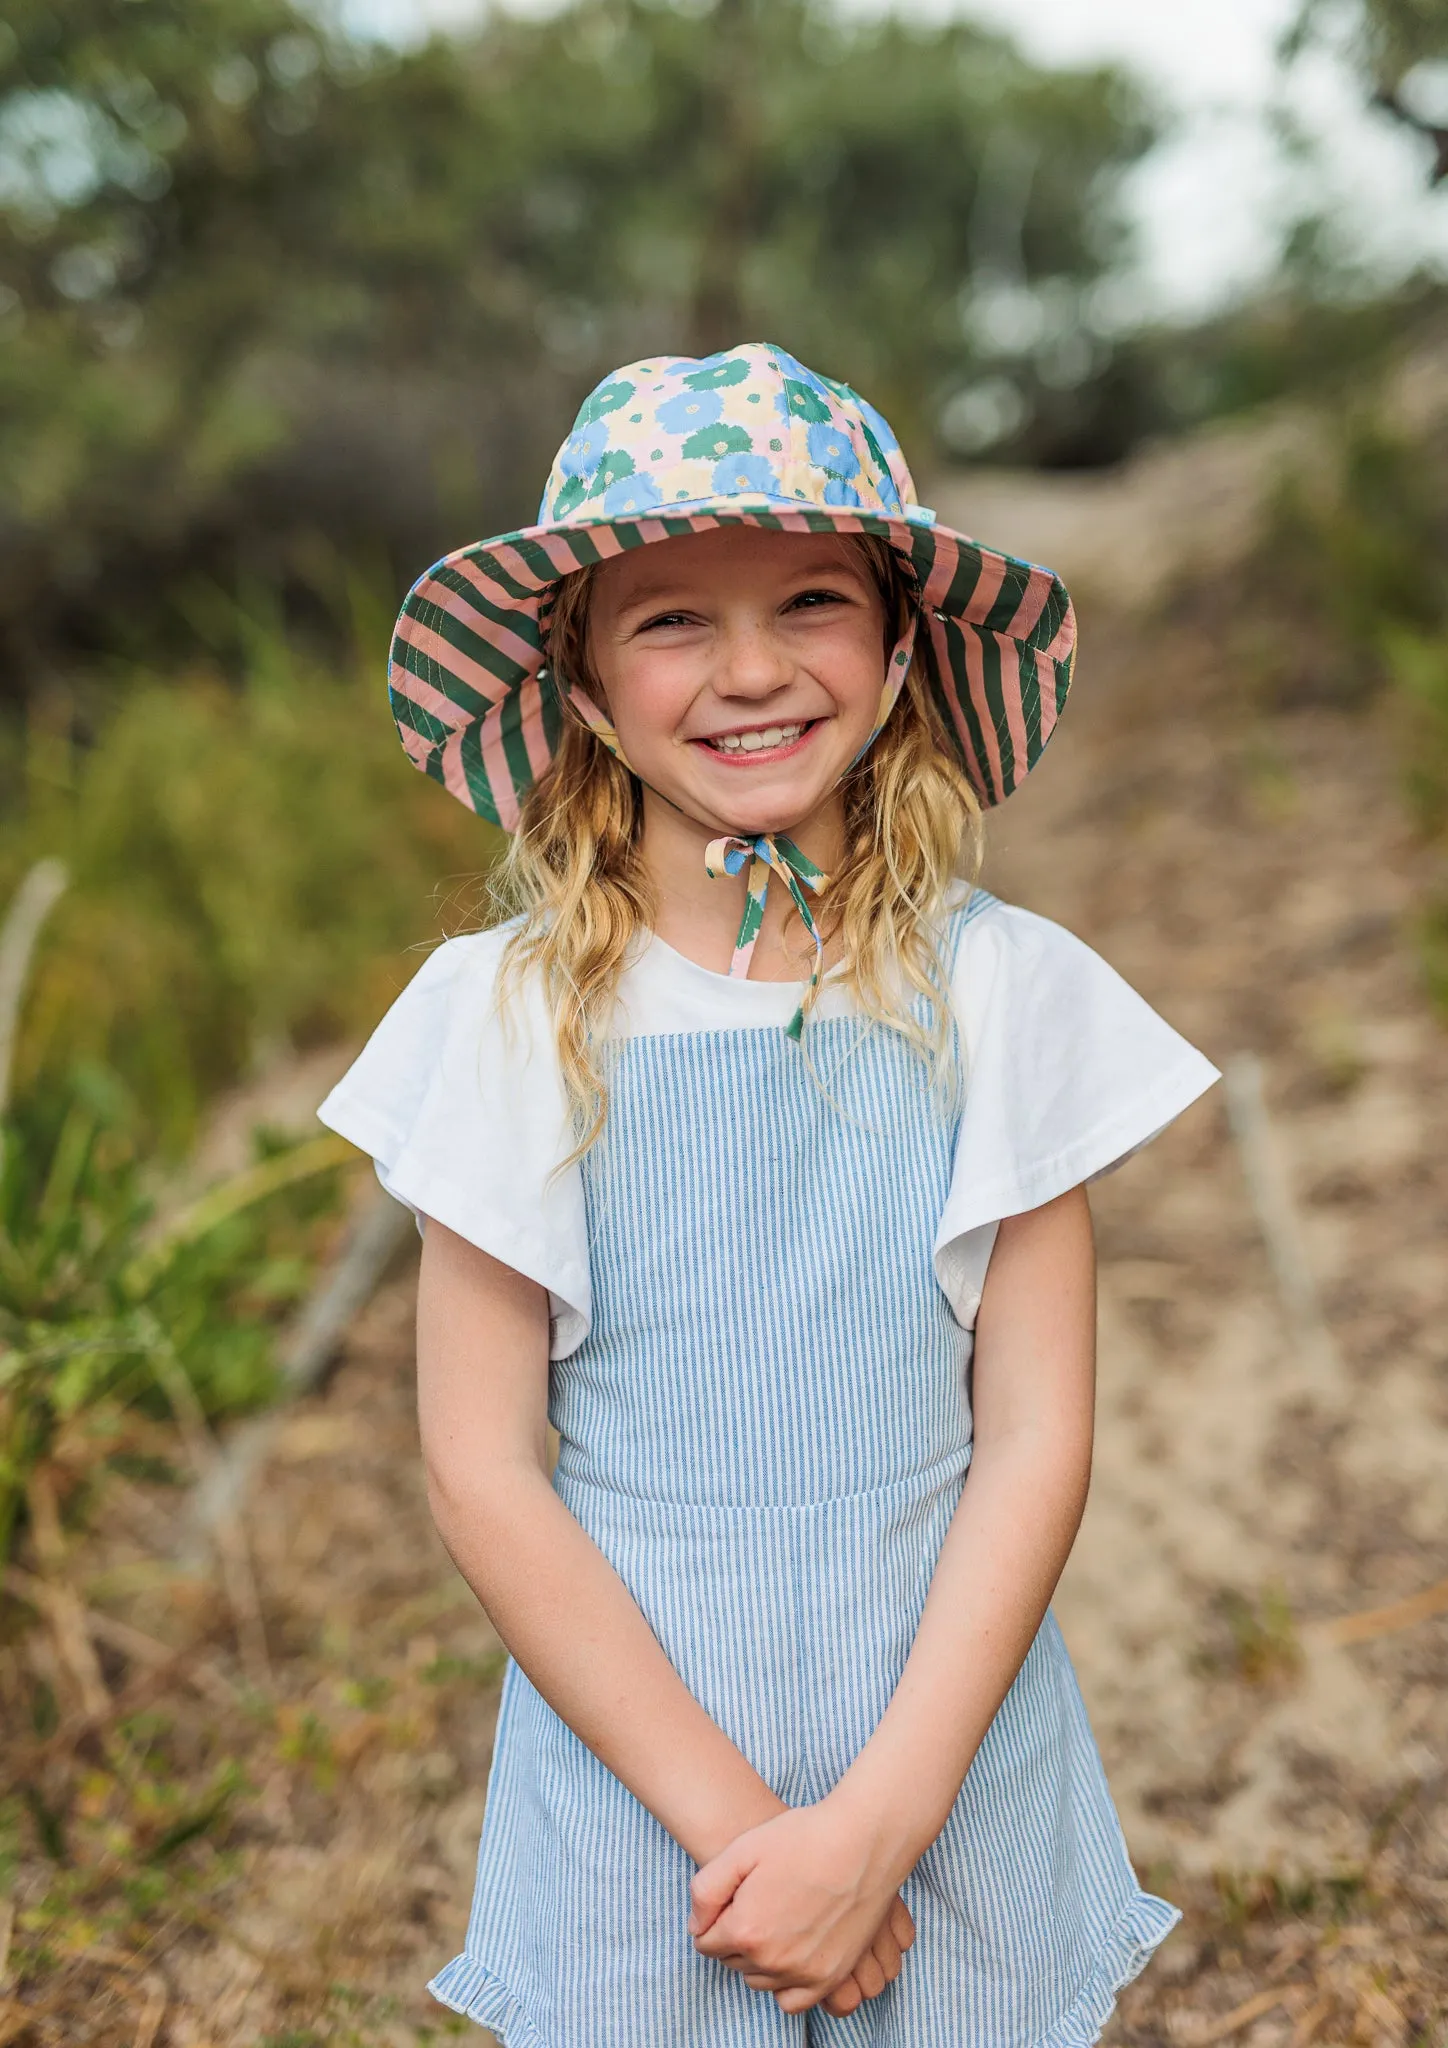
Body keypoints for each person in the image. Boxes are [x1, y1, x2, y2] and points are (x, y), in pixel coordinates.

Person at [318, 342, 1219, 2047]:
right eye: (668, 620)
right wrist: (750, 1838)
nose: (750, 671)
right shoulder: (510, 1018)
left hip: (948, 1747)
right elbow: (483, 1468)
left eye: (811, 600)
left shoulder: (1001, 994)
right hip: (643, 1792)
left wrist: (879, 1826)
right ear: (580, 685)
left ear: (897, 654)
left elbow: (1035, 1437)